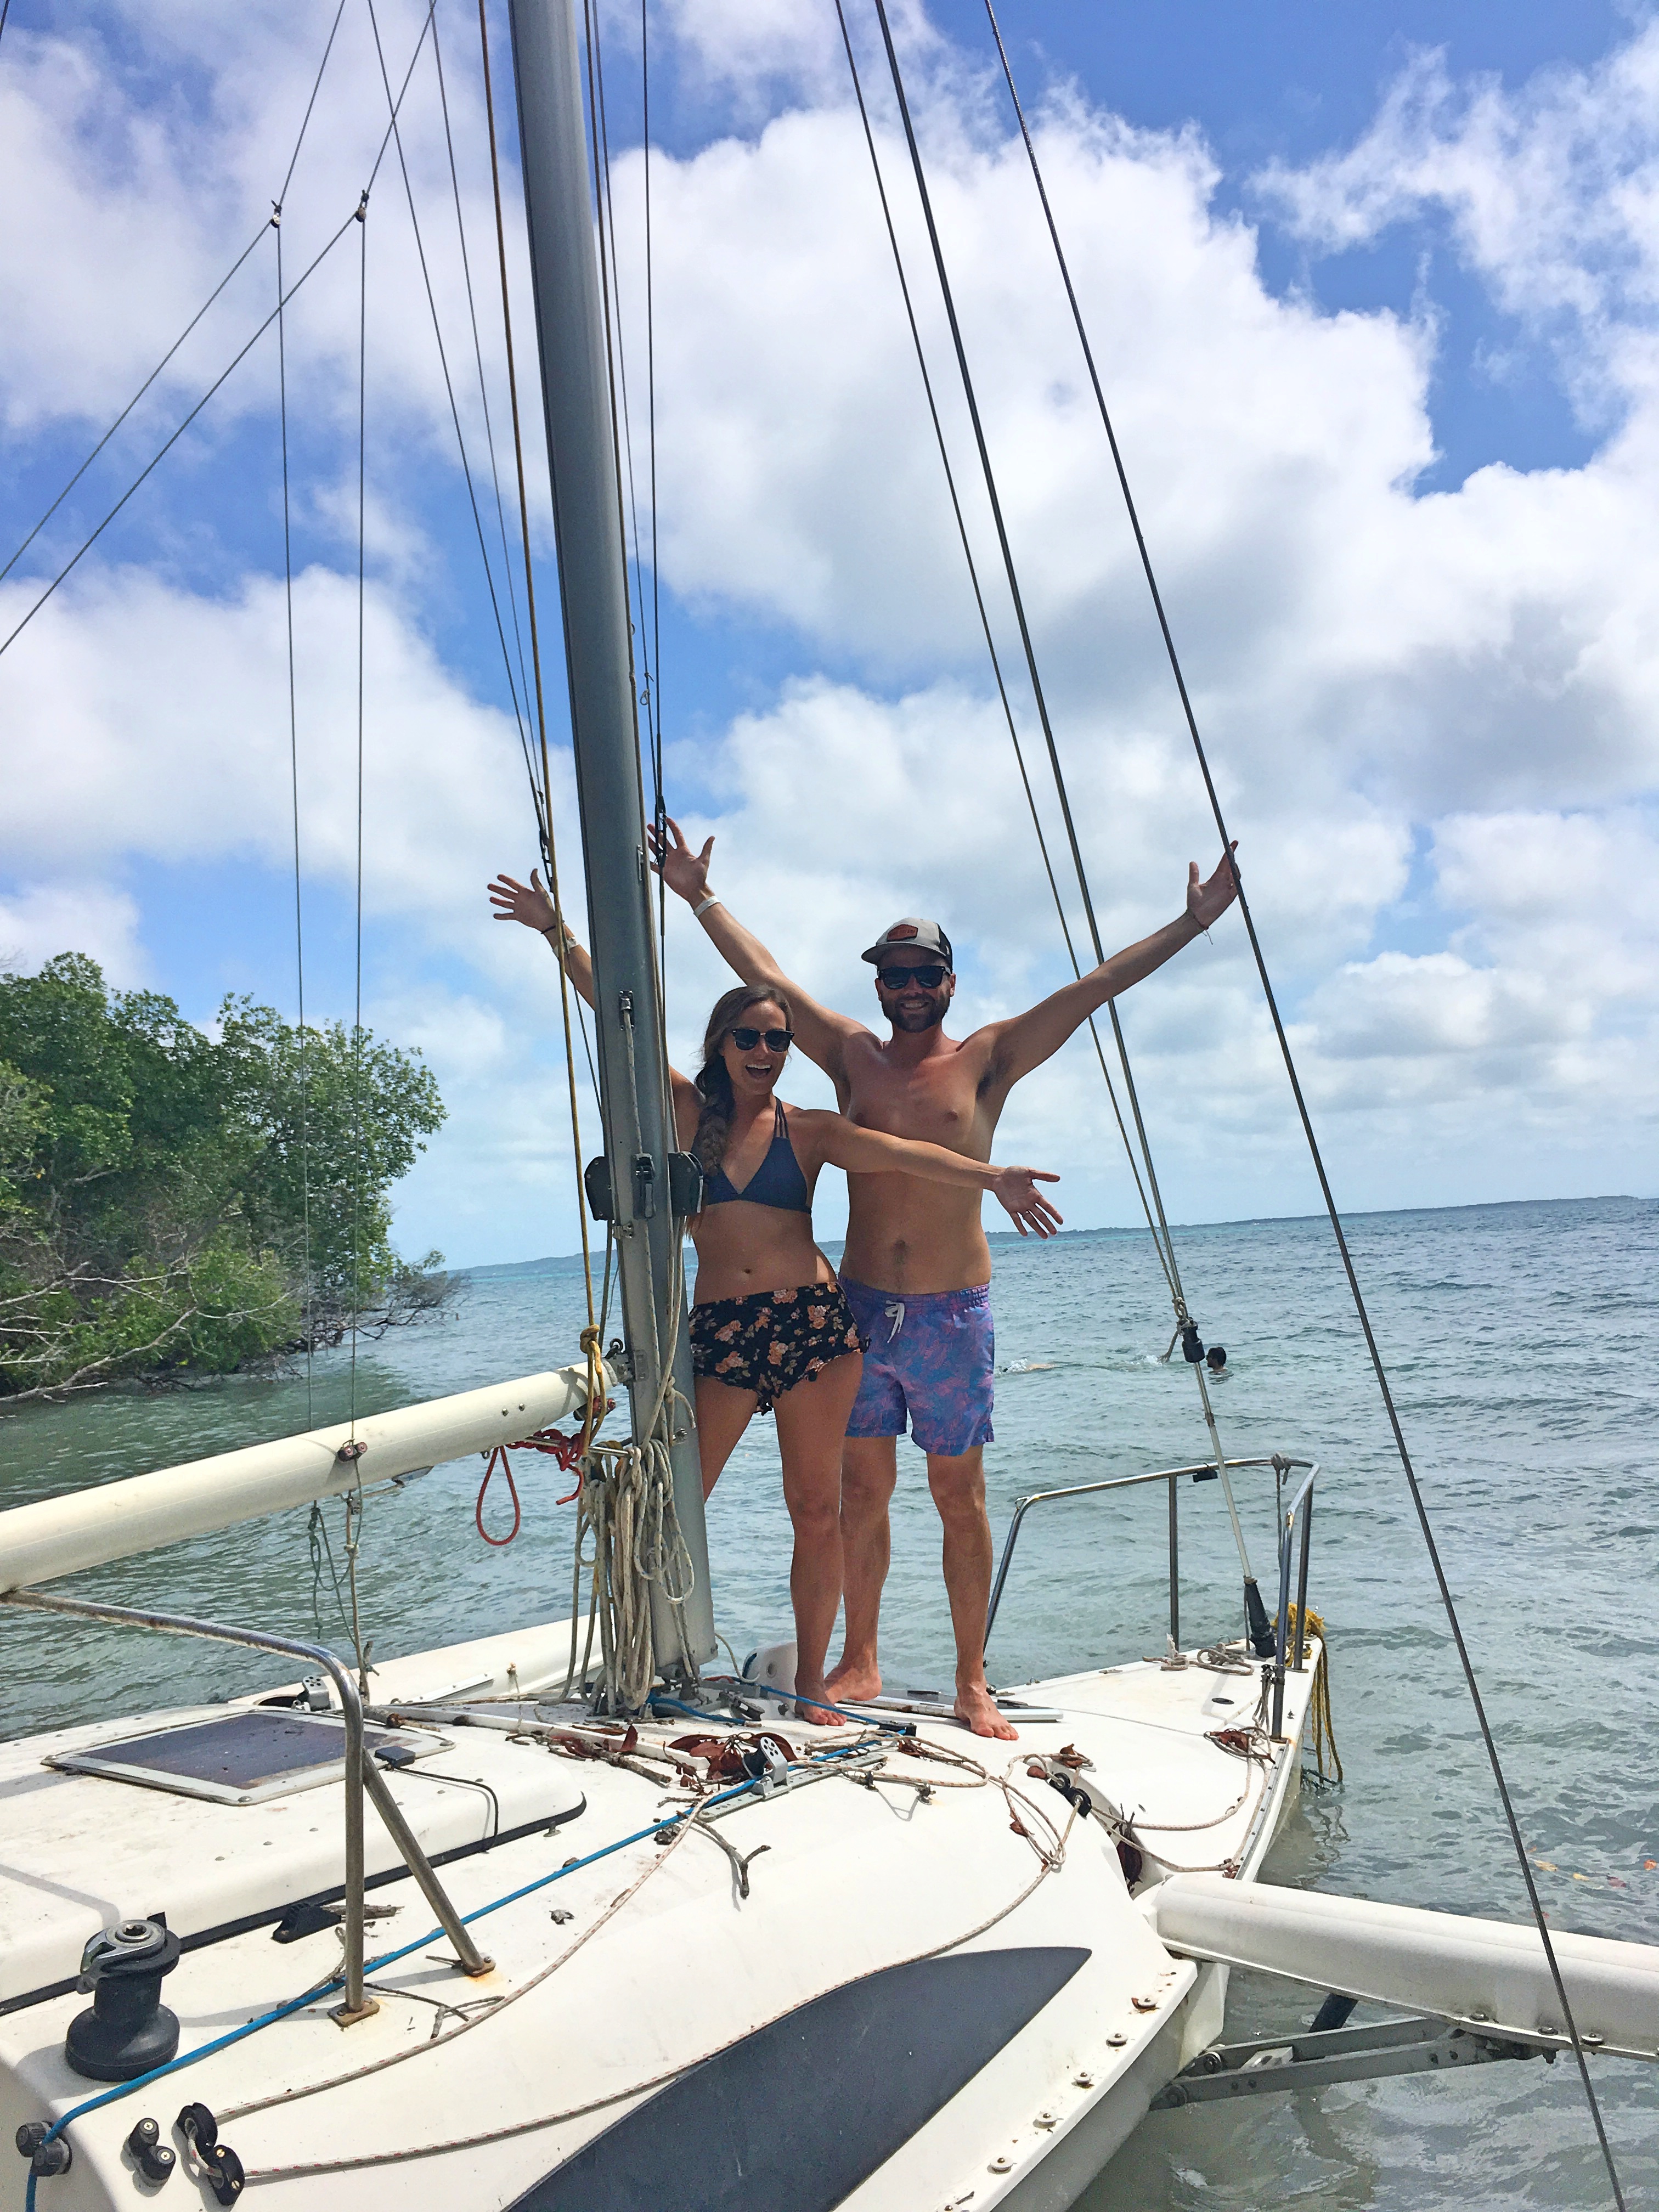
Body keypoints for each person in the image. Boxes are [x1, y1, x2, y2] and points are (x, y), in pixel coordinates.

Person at [646, 820, 1241, 1739]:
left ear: (949, 983)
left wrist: (1192, 924)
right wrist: (698, 896)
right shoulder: (847, 1055)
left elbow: (1095, 988)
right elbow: (764, 979)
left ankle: (972, 1680)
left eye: (927, 974)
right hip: (853, 1309)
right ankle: (858, 1658)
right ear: (878, 985)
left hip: (951, 1315)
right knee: (856, 1496)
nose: (911, 988)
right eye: (895, 974)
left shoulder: (988, 1057)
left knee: (958, 1499)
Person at [487, 869, 1060, 1726]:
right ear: (720, 1045)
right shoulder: (685, 1115)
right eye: (748, 1037)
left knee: (816, 1508)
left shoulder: (811, 1128)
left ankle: (813, 1682)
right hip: (722, 1332)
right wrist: (556, 931)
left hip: (815, 1332)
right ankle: (643, 1658)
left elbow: (907, 1158)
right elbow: (620, 1017)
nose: (764, 1051)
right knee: (680, 1498)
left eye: (777, 1040)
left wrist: (994, 1177)